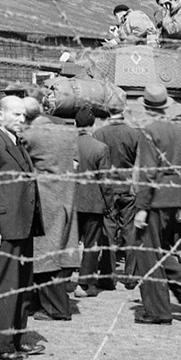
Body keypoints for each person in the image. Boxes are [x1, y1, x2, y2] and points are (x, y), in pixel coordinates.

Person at [0, 95, 45, 360]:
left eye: (23, 115)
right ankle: (0, 344)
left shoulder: (16, 142)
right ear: (0, 115)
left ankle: (17, 337)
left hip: (22, 226)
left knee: (22, 285)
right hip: (4, 227)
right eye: (15, 114)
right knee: (6, 285)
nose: (21, 119)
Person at [133, 83, 181, 325]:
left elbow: (148, 172)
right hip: (172, 199)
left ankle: (159, 310)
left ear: (147, 106)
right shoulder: (179, 130)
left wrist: (141, 208)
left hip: (154, 200)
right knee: (163, 250)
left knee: (149, 255)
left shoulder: (148, 130)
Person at [22, 97, 80, 321]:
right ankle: (41, 303)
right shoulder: (65, 132)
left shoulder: (29, 136)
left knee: (44, 255)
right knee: (55, 252)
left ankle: (57, 308)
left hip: (44, 200)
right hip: (65, 196)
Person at [94, 107, 141, 288]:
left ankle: (107, 277)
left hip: (108, 190)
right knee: (130, 232)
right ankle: (130, 276)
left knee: (108, 234)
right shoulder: (134, 134)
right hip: (129, 189)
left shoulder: (99, 134)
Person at [75, 106, 115, 297]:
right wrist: (109, 204)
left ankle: (63, 281)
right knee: (91, 244)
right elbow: (105, 181)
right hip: (93, 203)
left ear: (75, 123)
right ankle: (84, 284)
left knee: (69, 242)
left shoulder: (68, 145)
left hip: (70, 201)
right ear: (93, 124)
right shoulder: (101, 148)